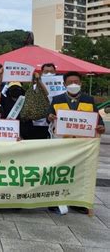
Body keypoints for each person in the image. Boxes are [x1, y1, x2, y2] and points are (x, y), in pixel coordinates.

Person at [47, 71, 105, 215]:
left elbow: (98, 120)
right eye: (70, 82)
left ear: (81, 84)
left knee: (78, 172)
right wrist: (50, 116)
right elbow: (49, 117)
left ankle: (77, 201)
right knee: (59, 171)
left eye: (76, 82)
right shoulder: (56, 99)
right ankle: (55, 201)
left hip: (81, 145)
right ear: (64, 84)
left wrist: (100, 127)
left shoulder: (88, 100)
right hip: (62, 143)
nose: (73, 85)